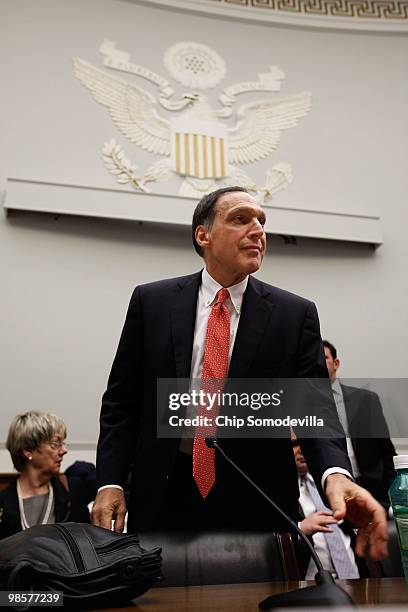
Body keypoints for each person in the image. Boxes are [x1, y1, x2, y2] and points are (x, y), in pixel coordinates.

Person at [92, 186, 387, 562]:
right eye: (240, 218)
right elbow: (122, 402)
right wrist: (111, 482)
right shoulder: (152, 302)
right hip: (164, 493)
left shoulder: (293, 315)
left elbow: (315, 411)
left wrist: (335, 474)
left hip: (258, 500)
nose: (258, 230)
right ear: (203, 234)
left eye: (262, 221)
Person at [323, 340, 396, 508]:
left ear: (336, 363)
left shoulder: (366, 400)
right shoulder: (305, 405)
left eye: (324, 358)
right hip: (332, 494)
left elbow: (386, 450)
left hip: (373, 488)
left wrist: (391, 495)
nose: (319, 363)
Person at [0, 411, 91, 539]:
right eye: (55, 444)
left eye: (63, 444)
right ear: (27, 450)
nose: (64, 451)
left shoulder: (72, 490)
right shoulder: (3, 503)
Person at [292, 433, 363, 579]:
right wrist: (300, 528)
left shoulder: (333, 482)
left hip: (355, 581)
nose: (302, 450)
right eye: (294, 444)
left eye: (305, 443)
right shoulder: (281, 494)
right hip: (308, 587)